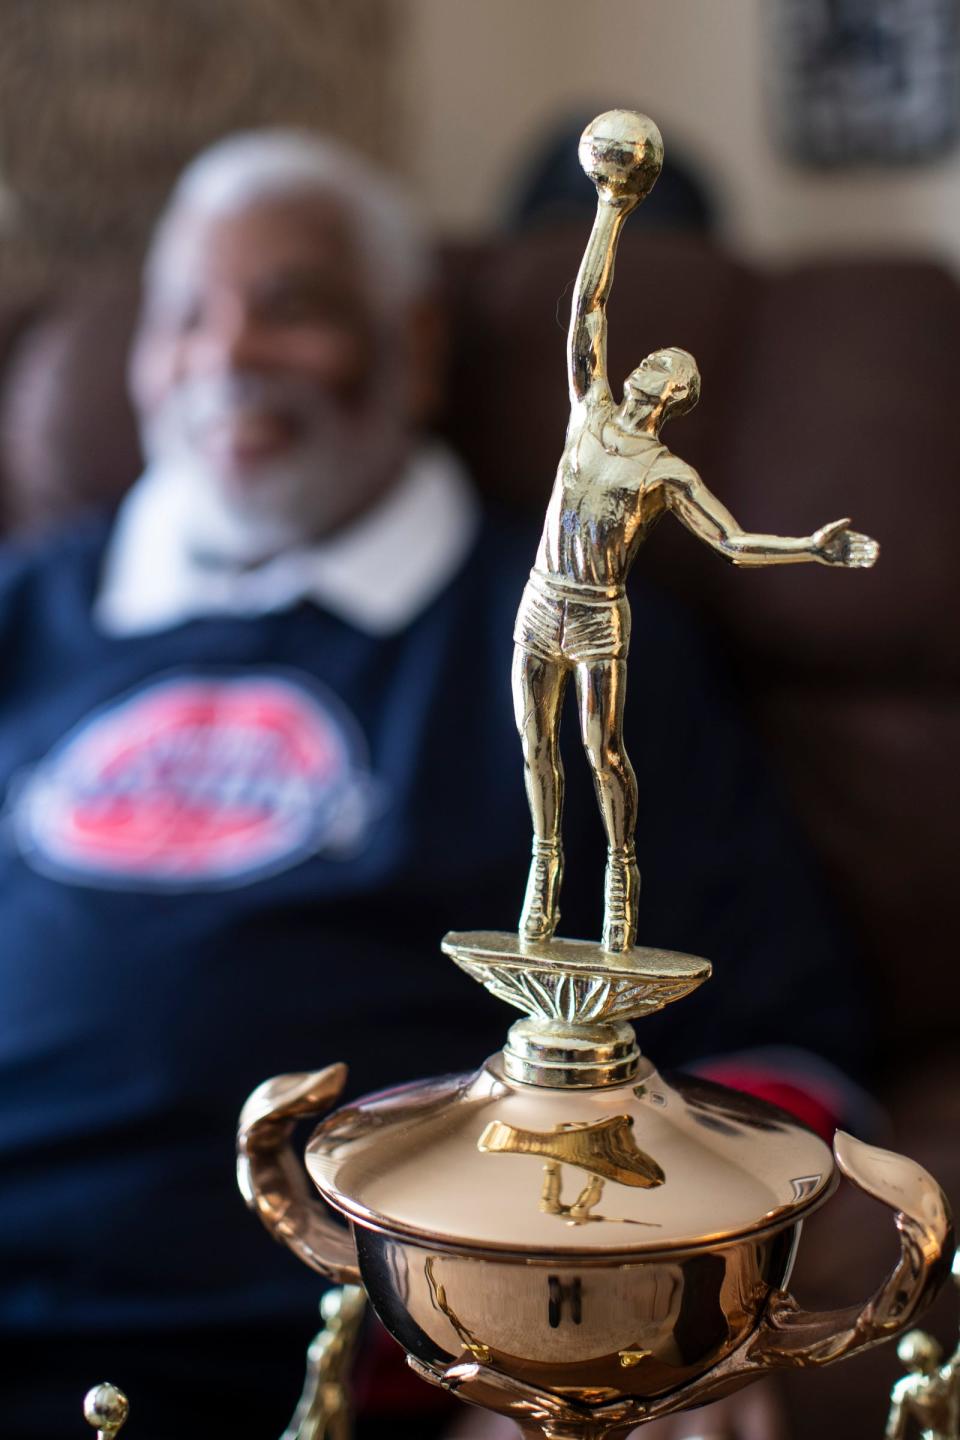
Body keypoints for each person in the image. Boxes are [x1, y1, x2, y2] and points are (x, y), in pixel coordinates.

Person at [0, 130, 865, 1439]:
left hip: (340, 1355)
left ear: (412, 350)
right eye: (183, 316)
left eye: (289, 307)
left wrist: (635, 1332)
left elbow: (785, 1038)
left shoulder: (556, 637)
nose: (224, 354)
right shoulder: (31, 609)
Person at [513, 113, 878, 954]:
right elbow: (588, 307)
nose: (652, 367)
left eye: (670, 369)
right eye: (653, 361)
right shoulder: (589, 414)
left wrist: (811, 548)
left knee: (602, 756)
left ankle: (619, 874)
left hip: (600, 615)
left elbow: (735, 544)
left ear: (677, 399)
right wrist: (611, 209)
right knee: (539, 751)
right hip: (542, 602)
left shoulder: (667, 473)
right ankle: (545, 865)